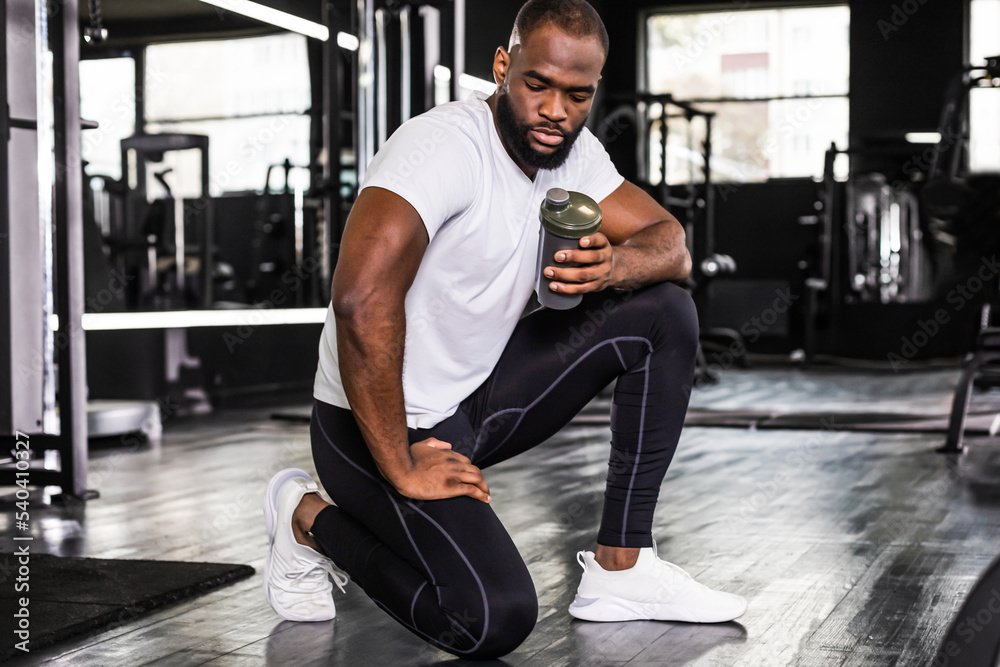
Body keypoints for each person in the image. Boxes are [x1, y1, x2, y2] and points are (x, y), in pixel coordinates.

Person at [262, 0, 746, 659]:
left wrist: (614, 265)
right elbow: (359, 300)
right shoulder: (442, 146)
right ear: (502, 67)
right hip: (369, 426)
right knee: (492, 617)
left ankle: (621, 568)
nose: (555, 111)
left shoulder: (573, 156)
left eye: (577, 95)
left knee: (665, 310)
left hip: (468, 406)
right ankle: (309, 521)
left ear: (593, 90)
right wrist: (400, 463)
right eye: (537, 84)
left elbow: (673, 247)